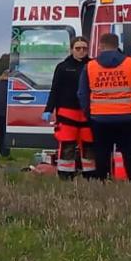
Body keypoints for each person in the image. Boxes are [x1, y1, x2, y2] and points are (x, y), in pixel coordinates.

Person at [78, 33, 131, 186]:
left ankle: (102, 181)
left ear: (101, 46)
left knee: (102, 152)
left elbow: (82, 93)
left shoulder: (90, 66)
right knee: (129, 152)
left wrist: (89, 113)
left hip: (99, 117)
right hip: (127, 116)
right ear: (117, 45)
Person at [43, 36, 95, 179]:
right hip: (67, 112)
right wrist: (48, 109)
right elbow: (55, 90)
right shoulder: (62, 67)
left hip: (87, 112)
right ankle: (66, 175)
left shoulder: (93, 66)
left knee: (89, 144)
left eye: (84, 48)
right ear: (71, 49)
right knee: (67, 144)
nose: (81, 51)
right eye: (78, 48)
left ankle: (91, 174)